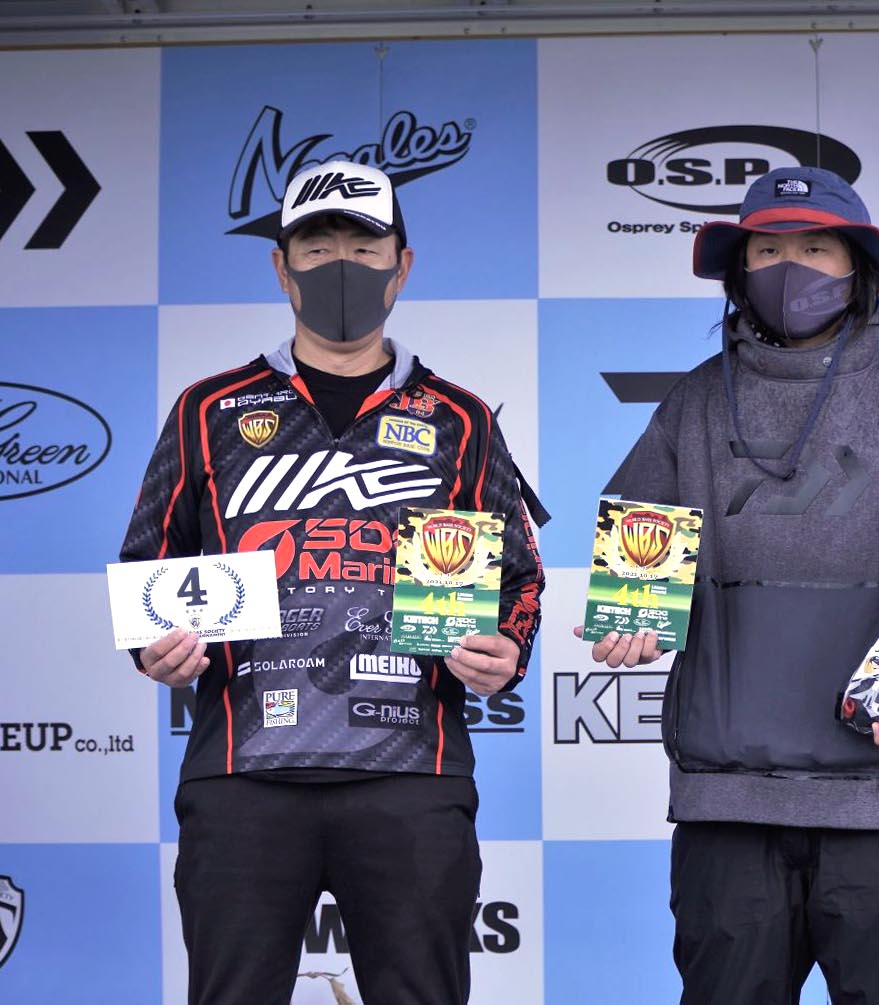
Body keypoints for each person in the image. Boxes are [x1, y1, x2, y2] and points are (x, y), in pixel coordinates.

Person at [585, 166, 879, 1005]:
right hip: (728, 804)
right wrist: (633, 616)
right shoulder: (690, 405)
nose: (791, 268)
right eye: (768, 250)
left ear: (858, 268)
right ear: (739, 269)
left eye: (816, 248)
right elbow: (636, 560)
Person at [121, 160, 544, 1005]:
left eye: (363, 246)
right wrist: (153, 648)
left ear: (402, 265)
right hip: (242, 774)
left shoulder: (460, 417)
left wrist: (508, 647)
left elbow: (519, 577)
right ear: (282, 268)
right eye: (317, 248)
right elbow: (147, 568)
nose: (340, 265)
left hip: (412, 773)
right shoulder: (208, 409)